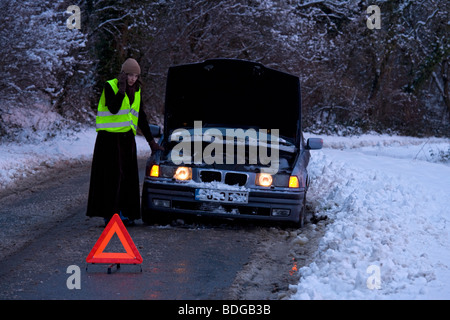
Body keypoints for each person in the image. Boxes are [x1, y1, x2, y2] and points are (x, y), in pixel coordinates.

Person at [86, 58, 162, 225]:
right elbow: (113, 109)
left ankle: (125, 213)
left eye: (135, 75)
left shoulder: (137, 90)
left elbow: (141, 116)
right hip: (109, 139)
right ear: (123, 74)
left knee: (127, 177)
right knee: (111, 177)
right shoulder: (110, 86)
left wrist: (151, 142)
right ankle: (109, 214)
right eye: (129, 75)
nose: (132, 79)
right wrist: (122, 91)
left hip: (127, 139)